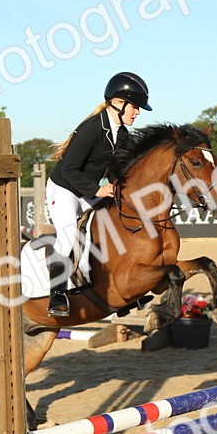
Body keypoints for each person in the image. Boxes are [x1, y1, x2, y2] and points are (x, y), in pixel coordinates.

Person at [46, 71, 150, 316]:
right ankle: (57, 294)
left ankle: (117, 291)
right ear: (118, 103)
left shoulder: (123, 134)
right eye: (135, 107)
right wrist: (97, 189)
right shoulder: (91, 129)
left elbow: (117, 170)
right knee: (70, 233)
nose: (138, 112)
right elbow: (70, 170)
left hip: (88, 189)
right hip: (64, 188)